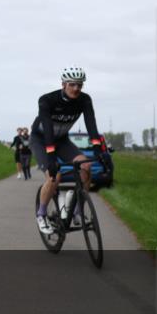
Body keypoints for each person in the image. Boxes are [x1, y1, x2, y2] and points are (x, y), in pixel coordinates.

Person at [29, 67, 107, 235]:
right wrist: (51, 157)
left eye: (80, 85)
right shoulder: (47, 100)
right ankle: (41, 214)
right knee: (54, 176)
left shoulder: (84, 100)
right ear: (63, 84)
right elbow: (47, 128)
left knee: (86, 166)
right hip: (41, 139)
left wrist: (98, 149)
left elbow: (91, 123)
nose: (76, 88)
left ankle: (77, 211)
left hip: (62, 140)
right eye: (72, 84)